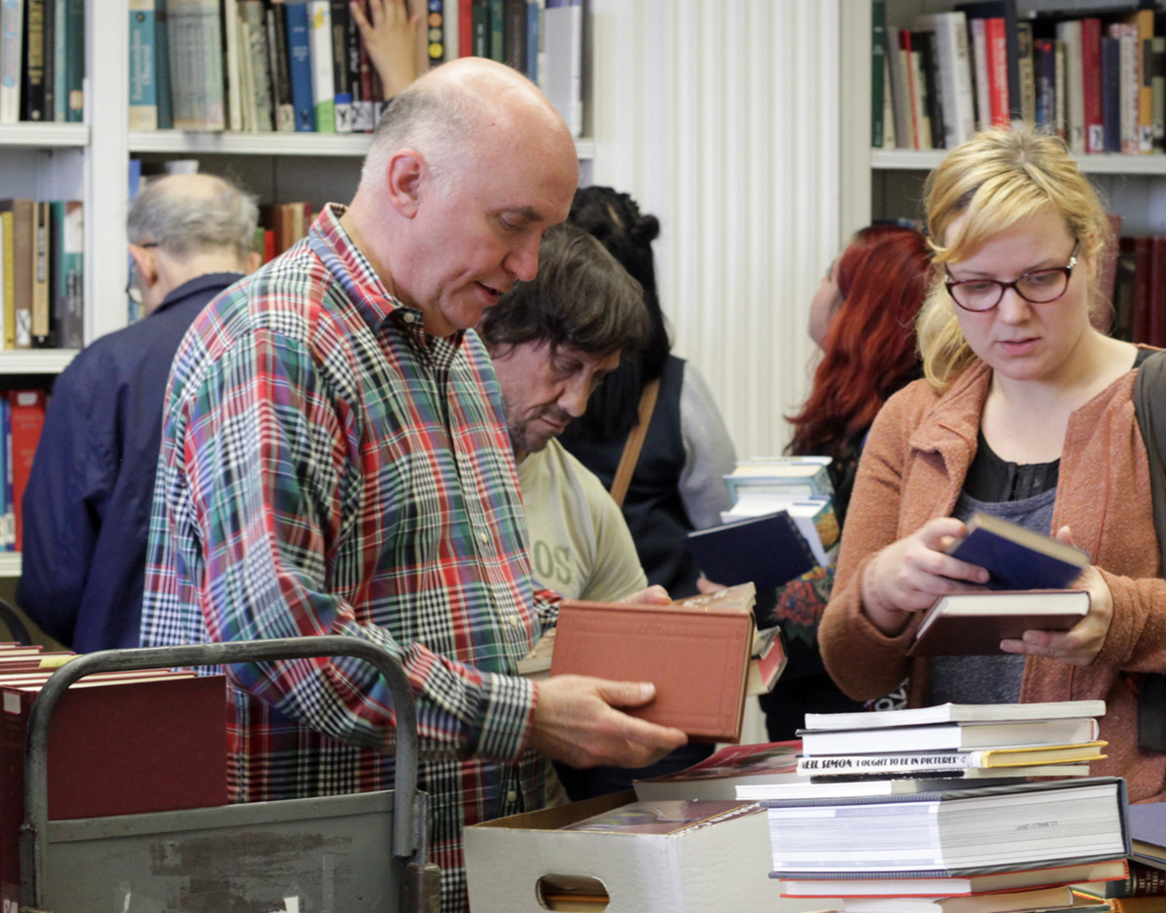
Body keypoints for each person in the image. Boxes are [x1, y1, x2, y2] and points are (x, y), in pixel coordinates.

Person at [138, 60, 688, 913]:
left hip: (459, 866)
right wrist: (528, 715)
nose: (530, 263)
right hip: (315, 878)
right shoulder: (278, 340)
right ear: (407, 181)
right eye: (513, 224)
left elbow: (482, 596)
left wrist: (599, 640)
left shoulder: (460, 349)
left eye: (544, 231)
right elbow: (282, 639)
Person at [817, 123, 1166, 804]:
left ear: (1089, 254)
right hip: (951, 818)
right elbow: (856, 673)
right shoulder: (914, 419)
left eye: (1039, 278)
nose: (1013, 314)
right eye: (978, 286)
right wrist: (878, 594)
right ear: (945, 280)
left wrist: (1121, 614)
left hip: (1139, 824)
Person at [17, 174, 262, 652]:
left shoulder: (105, 371)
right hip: (297, 693)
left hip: (136, 685)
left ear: (144, 264)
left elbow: (53, 582)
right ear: (253, 259)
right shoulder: (308, 346)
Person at [758, 222, 934, 740]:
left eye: (827, 277)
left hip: (855, 705)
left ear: (856, 310)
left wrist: (743, 600)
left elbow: (852, 574)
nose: (817, 292)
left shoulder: (894, 424)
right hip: (828, 690)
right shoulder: (858, 415)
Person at [558, 187, 738, 599]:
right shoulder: (678, 388)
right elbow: (721, 524)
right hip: (661, 622)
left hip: (556, 625)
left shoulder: (515, 383)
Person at [476, 221, 651, 603]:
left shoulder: (588, 505)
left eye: (598, 379)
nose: (578, 403)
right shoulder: (410, 471)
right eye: (566, 366)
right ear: (493, 333)